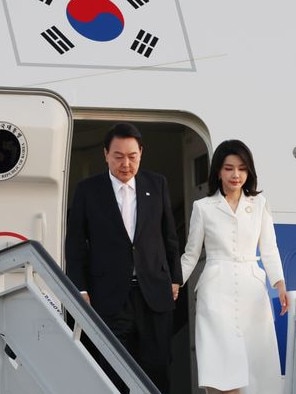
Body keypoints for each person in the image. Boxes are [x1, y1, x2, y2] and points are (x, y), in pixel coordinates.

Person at [65, 122, 182, 393]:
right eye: (118, 156)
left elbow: (169, 238)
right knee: (111, 369)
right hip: (108, 297)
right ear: (106, 154)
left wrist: (174, 277)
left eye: (132, 156)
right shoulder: (88, 190)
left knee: (157, 368)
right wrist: (79, 288)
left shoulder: (157, 184)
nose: (125, 164)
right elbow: (75, 245)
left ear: (141, 153)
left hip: (153, 294)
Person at [181, 139, 289, 394]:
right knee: (220, 369)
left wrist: (279, 284)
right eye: (229, 168)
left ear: (248, 171)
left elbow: (270, 248)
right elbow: (190, 255)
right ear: (218, 171)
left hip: (252, 293)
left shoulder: (259, 204)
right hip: (215, 293)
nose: (236, 174)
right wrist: (174, 282)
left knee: (257, 369)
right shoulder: (203, 207)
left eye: (241, 168)